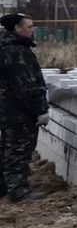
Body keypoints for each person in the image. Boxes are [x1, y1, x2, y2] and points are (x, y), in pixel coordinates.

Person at [0, 12, 50, 202]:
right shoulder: (17, 52)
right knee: (18, 151)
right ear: (17, 28)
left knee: (7, 148)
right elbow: (27, 87)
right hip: (19, 112)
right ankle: (18, 190)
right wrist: (40, 110)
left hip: (8, 110)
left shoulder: (6, 48)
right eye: (29, 27)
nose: (32, 30)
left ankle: (4, 186)